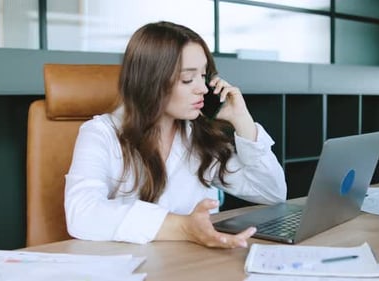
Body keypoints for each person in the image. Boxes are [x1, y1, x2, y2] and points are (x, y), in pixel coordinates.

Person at [64, 21, 287, 249]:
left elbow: (271, 192)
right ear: (151, 81)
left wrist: (242, 120)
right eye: (188, 79)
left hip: (190, 264)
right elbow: (81, 213)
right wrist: (183, 227)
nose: (202, 88)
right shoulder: (101, 134)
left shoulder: (199, 136)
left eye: (204, 75)